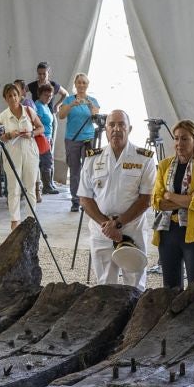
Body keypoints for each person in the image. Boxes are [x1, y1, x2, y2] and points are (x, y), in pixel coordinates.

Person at [77, 108, 153, 288]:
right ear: (106, 130)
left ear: (130, 129)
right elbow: (85, 198)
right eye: (112, 125)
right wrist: (107, 225)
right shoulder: (92, 159)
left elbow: (146, 199)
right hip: (101, 231)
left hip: (132, 229)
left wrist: (118, 224)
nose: (116, 129)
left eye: (121, 125)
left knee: (134, 285)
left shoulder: (144, 159)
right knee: (104, 286)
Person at [150, 120, 194, 293]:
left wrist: (169, 195)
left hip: (193, 233)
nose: (179, 143)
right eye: (176, 139)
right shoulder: (164, 165)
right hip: (168, 231)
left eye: (184, 139)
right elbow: (157, 202)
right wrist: (186, 198)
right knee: (170, 289)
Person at [0, 82, 41, 223]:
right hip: (12, 153)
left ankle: (31, 219)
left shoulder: (29, 111)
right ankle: (14, 220)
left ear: (20, 96)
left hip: (30, 151)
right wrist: (9, 135)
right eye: (9, 96)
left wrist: (32, 133)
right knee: (13, 188)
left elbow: (41, 128)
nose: (13, 98)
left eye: (15, 95)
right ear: (5, 98)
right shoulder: (2, 117)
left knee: (30, 187)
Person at [58, 74, 100, 209]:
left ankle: (88, 200)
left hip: (89, 138)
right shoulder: (69, 100)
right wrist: (71, 105)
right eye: (79, 83)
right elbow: (61, 115)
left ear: (87, 85)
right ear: (75, 85)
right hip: (72, 139)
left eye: (84, 83)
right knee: (75, 170)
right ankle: (76, 200)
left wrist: (90, 106)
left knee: (89, 170)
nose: (81, 85)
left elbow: (96, 117)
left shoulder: (92, 100)